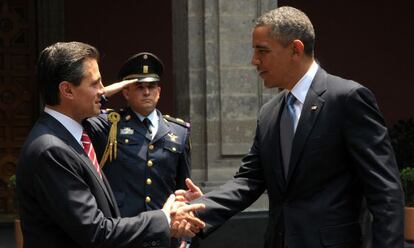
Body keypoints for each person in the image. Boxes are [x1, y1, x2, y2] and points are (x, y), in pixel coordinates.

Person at [177, 6, 404, 248]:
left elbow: (385, 193)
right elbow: (248, 181)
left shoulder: (347, 99)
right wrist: (197, 209)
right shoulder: (269, 113)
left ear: (296, 49)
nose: (254, 61)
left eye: (262, 51)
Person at [16, 41, 204, 248]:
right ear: (67, 90)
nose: (103, 91)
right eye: (95, 84)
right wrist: (164, 219)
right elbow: (95, 232)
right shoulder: (52, 150)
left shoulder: (68, 136)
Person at [84, 52, 192, 247]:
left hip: (165, 237)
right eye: (139, 87)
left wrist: (185, 237)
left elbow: (183, 191)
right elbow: (81, 114)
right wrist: (109, 91)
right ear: (126, 92)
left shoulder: (179, 131)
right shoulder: (110, 124)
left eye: (151, 87)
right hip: (124, 233)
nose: (146, 92)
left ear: (159, 91)